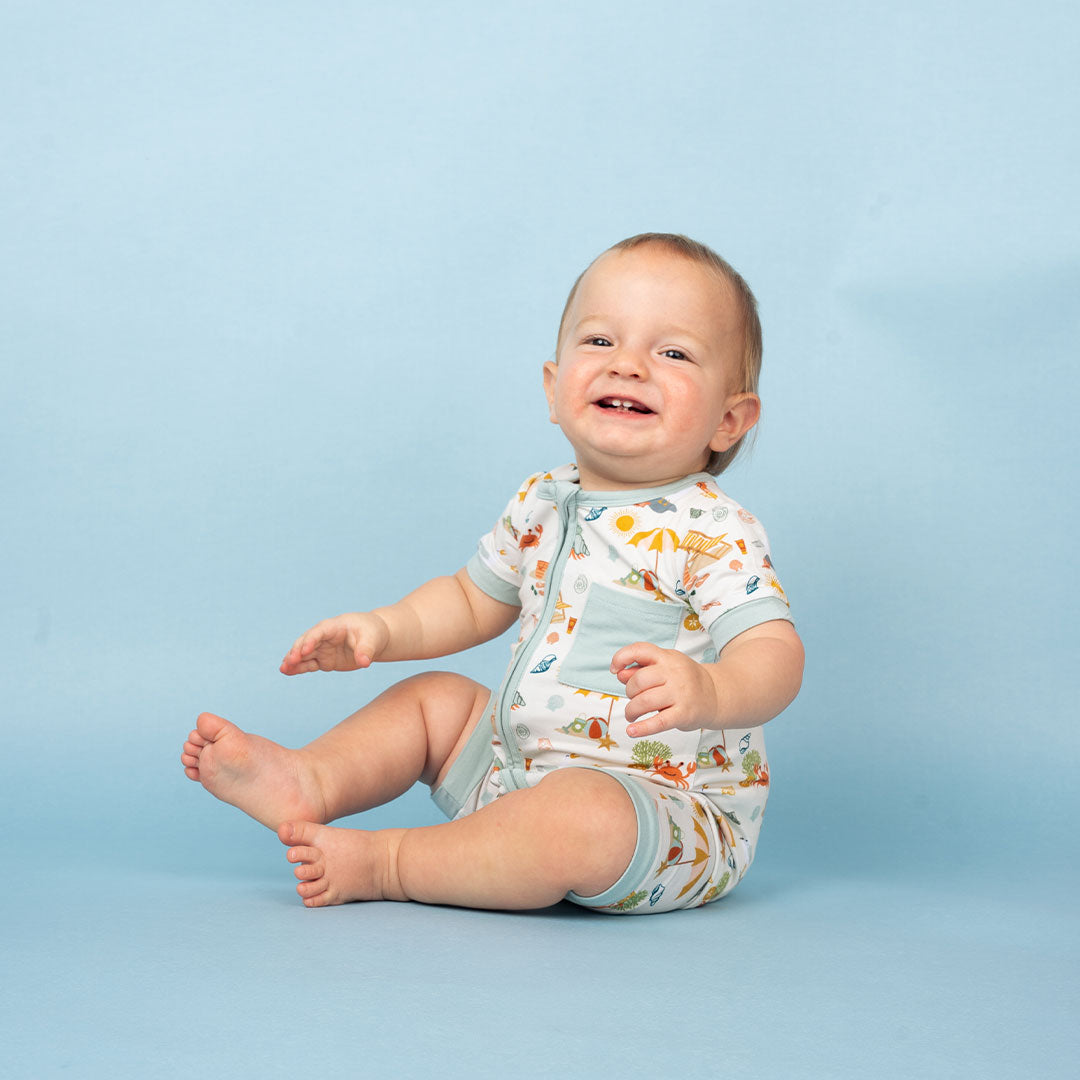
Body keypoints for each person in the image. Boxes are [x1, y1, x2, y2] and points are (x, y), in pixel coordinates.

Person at [180, 233, 804, 914]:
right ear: (552, 387)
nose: (627, 366)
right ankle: (310, 779)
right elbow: (467, 601)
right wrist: (382, 631)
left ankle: (391, 863)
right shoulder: (541, 500)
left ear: (729, 420)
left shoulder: (711, 530)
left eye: (673, 353)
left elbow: (774, 654)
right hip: (517, 774)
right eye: (600, 342)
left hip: (660, 818)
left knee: (578, 813)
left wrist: (710, 689)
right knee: (434, 700)